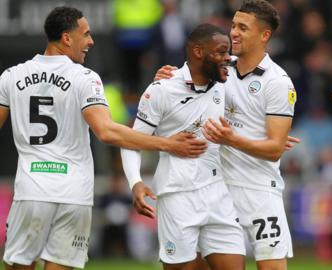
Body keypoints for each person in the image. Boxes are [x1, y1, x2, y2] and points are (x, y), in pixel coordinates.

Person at [0, 6, 207, 270]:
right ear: (66, 38)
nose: (91, 41)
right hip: (72, 193)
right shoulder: (84, 78)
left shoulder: (11, 76)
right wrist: (167, 143)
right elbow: (107, 131)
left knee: (19, 265)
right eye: (85, 34)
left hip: (30, 190)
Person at [156, 1, 297, 269]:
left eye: (243, 28)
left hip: (258, 190)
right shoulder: (218, 66)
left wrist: (232, 138)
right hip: (216, 187)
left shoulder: (278, 82)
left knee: (272, 266)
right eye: (233, 25)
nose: (233, 32)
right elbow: (183, 88)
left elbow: (275, 149)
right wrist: (166, 77)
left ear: (264, 35)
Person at [121, 23, 245, 270]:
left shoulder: (227, 83)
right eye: (221, 51)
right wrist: (135, 182)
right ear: (199, 52)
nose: (227, 58)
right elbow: (131, 141)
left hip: (219, 192)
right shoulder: (162, 89)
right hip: (178, 194)